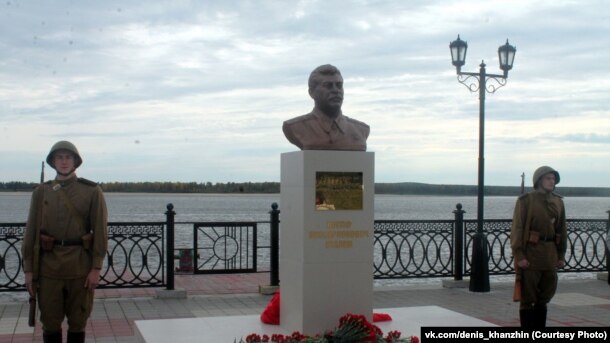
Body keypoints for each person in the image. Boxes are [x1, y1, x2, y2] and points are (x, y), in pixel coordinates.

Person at [22, 141, 108, 343]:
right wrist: (28, 269)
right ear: (52, 161)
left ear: (76, 161)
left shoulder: (92, 191)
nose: (64, 161)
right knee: (50, 323)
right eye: (59, 157)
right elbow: (31, 232)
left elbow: (101, 232)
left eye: (68, 157)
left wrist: (96, 268)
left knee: (78, 323)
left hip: (80, 269)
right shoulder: (41, 192)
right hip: (49, 269)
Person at [510, 166, 567, 328]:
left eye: (553, 179)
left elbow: (562, 229)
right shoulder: (526, 201)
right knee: (528, 298)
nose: (552, 181)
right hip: (531, 255)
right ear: (539, 180)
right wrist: (519, 255)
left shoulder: (558, 202)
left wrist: (561, 255)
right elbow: (517, 229)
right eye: (548, 178)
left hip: (550, 255)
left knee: (545, 297)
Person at [282, 64, 370, 151]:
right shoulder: (295, 127)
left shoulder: (361, 130)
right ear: (312, 92)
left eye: (339, 86)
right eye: (328, 85)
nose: (336, 91)